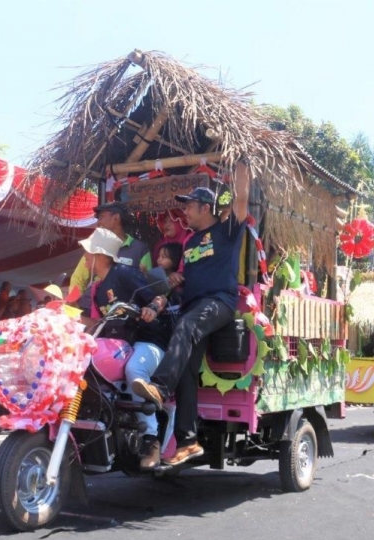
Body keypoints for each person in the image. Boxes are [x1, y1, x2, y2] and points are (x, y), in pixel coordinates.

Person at [133, 160, 250, 466]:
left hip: (220, 303)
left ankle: (159, 387)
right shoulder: (189, 242)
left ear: (205, 207)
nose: (184, 212)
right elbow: (183, 277)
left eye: (189, 207)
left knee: (186, 325)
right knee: (187, 371)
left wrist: (242, 165)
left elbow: (241, 200)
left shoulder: (226, 231)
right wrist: (168, 288)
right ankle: (188, 441)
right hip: (193, 305)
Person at [79, 227, 169, 469]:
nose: (85, 257)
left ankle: (151, 441)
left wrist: (152, 308)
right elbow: (97, 323)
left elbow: (161, 297)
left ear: (100, 254)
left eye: (88, 252)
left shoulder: (124, 273)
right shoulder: (98, 289)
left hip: (149, 341)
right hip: (121, 345)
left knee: (133, 371)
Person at [69, 201, 152, 307]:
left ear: (116, 217)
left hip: (127, 312)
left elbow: (147, 285)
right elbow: (78, 278)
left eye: (102, 217)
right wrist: (74, 304)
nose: (98, 222)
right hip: (98, 306)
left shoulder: (140, 249)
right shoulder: (95, 247)